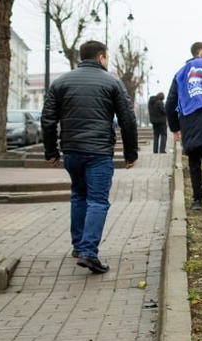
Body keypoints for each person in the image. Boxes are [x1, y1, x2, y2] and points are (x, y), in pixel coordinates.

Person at [41, 40, 139, 274]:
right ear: (101, 57)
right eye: (107, 57)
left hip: (71, 151)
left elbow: (47, 120)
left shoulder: (60, 83)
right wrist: (130, 153)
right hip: (98, 152)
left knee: (79, 194)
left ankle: (78, 246)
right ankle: (89, 252)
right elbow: (127, 120)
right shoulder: (112, 82)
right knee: (97, 200)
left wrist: (51, 151)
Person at [165, 41, 202, 211]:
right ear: (201, 54)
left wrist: (175, 128)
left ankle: (197, 200)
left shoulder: (180, 74)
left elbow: (170, 103)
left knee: (194, 160)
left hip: (188, 120)